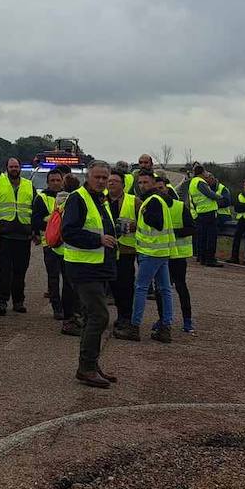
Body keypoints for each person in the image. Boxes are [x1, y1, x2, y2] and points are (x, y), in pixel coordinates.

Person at [60, 160, 118, 387]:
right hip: (84, 267)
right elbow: (69, 232)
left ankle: (90, 364)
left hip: (97, 266)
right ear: (88, 177)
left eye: (105, 178)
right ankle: (87, 367)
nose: (102, 181)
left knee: (92, 317)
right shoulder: (78, 198)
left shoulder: (99, 200)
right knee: (99, 316)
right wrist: (98, 239)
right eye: (98, 177)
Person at [114, 171, 175, 343]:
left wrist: (145, 214)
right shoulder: (159, 199)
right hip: (161, 251)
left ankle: (134, 327)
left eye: (145, 182)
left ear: (154, 183)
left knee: (140, 288)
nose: (141, 186)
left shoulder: (152, 201)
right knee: (165, 289)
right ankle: (166, 327)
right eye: (139, 183)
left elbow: (157, 222)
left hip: (151, 252)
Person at [0, 157, 36, 315]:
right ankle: (1, 302)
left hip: (23, 235)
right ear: (6, 168)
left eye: (16, 166)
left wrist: (34, 231)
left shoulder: (29, 185)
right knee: (4, 270)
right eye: (11, 166)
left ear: (20, 168)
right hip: (5, 234)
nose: (14, 169)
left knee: (20, 271)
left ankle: (18, 301)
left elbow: (34, 211)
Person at [35, 168, 76, 325]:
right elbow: (37, 220)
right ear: (47, 182)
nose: (55, 183)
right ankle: (56, 307)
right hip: (50, 244)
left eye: (58, 180)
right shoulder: (41, 198)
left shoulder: (71, 197)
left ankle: (67, 309)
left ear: (63, 181)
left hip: (67, 245)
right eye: (52, 180)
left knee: (68, 279)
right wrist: (53, 220)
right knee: (53, 278)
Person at [102, 164, 137, 333]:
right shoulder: (100, 200)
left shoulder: (134, 201)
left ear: (123, 185)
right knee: (102, 287)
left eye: (115, 181)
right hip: (104, 250)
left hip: (126, 251)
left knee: (125, 287)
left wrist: (134, 226)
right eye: (109, 181)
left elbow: (146, 223)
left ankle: (125, 318)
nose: (111, 184)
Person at [160, 174, 196, 334]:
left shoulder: (179, 207)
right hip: (160, 254)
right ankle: (163, 321)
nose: (159, 191)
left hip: (178, 255)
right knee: (161, 289)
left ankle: (187, 320)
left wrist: (172, 232)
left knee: (180, 287)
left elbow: (191, 228)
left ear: (167, 189)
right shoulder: (153, 206)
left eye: (161, 188)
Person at [186, 164, 223, 267]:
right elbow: (209, 194)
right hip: (209, 212)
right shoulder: (200, 182)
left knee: (202, 237)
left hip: (200, 212)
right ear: (202, 172)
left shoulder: (192, 182)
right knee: (211, 237)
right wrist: (219, 197)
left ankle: (202, 258)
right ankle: (210, 259)